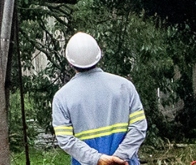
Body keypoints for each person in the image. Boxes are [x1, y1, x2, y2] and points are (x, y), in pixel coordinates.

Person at [52, 33, 147, 165]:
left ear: (69, 62)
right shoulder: (124, 86)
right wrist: (119, 158)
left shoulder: (62, 97)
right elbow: (139, 127)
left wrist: (99, 160)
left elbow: (65, 139)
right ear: (99, 55)